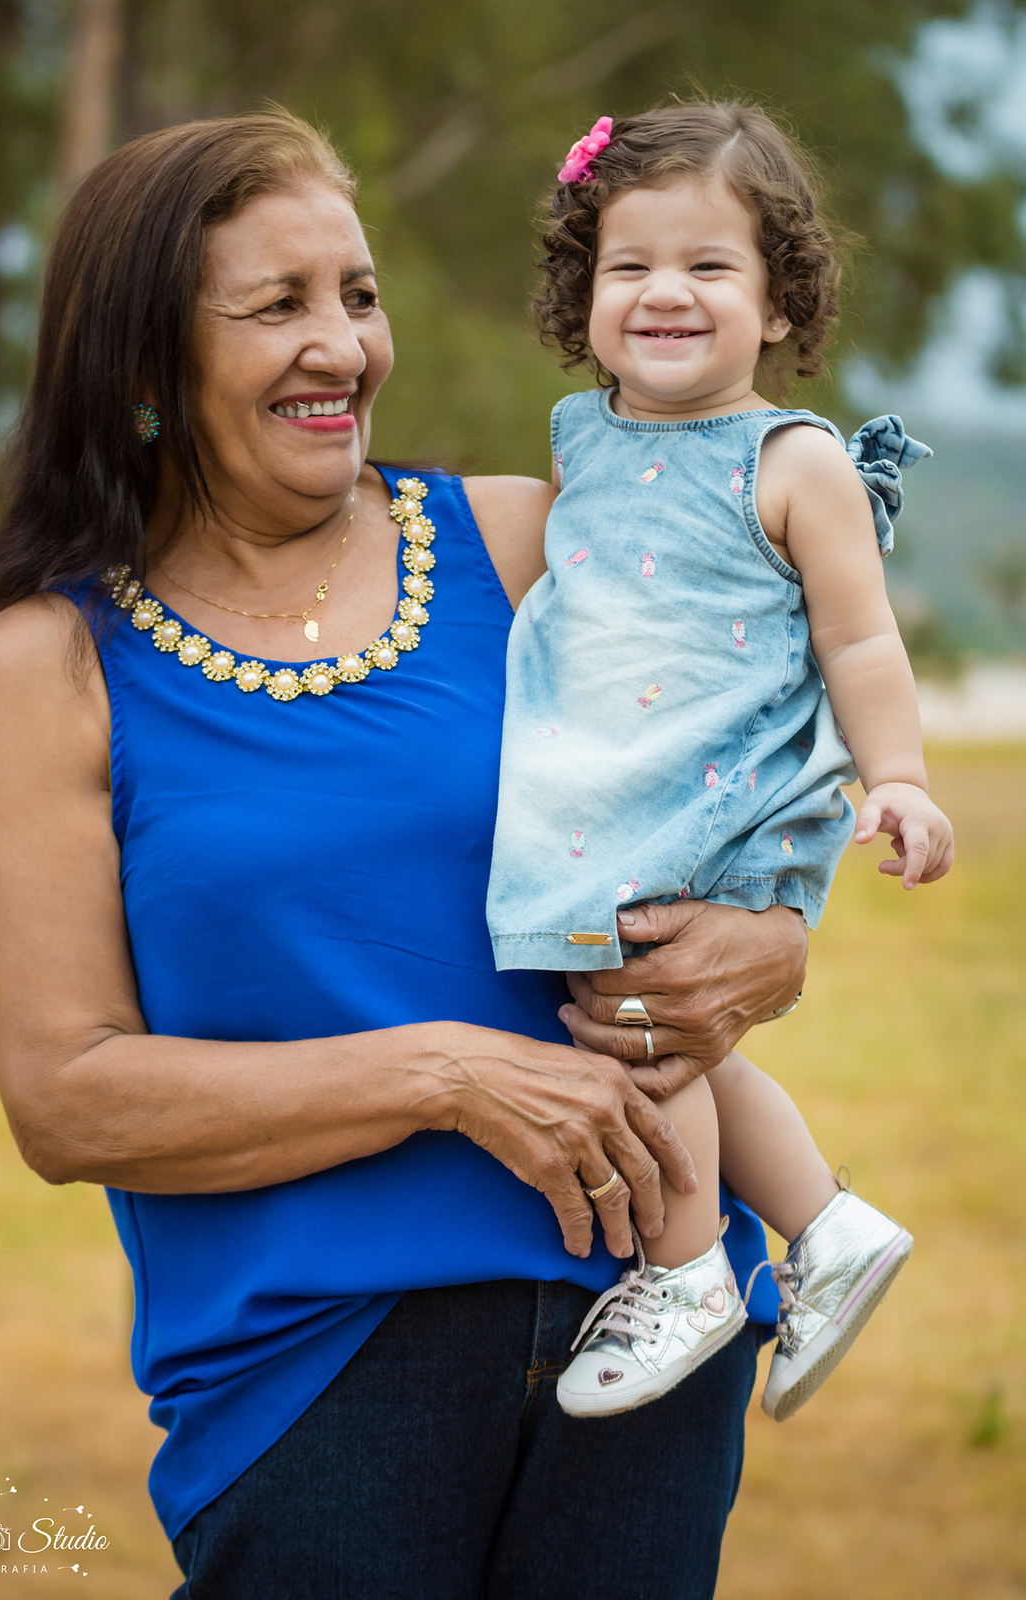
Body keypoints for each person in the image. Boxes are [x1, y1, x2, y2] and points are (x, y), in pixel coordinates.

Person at [0, 111, 810, 1600]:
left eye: (356, 296)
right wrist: (447, 1076)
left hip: (650, 1326)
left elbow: (749, 764)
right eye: (277, 306)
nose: (341, 347)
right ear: (148, 362)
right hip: (311, 1380)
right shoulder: (51, 666)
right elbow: (67, 1098)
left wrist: (776, 943)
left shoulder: (530, 543)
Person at [486, 101, 953, 1423]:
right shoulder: (582, 438)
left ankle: (689, 1267)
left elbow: (859, 643)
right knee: (665, 1029)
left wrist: (900, 778)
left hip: (722, 794)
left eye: (708, 266)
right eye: (628, 266)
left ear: (782, 302)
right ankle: (828, 1225)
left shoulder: (793, 460)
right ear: (584, 293)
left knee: (642, 1027)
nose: (664, 293)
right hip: (615, 781)